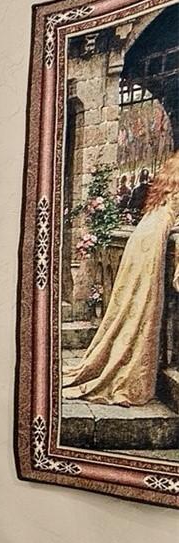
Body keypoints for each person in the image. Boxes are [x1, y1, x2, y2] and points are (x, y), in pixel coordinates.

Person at [64, 150, 179, 407]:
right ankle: (129, 370)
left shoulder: (173, 164)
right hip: (154, 238)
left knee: (132, 299)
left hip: (143, 234)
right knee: (143, 303)